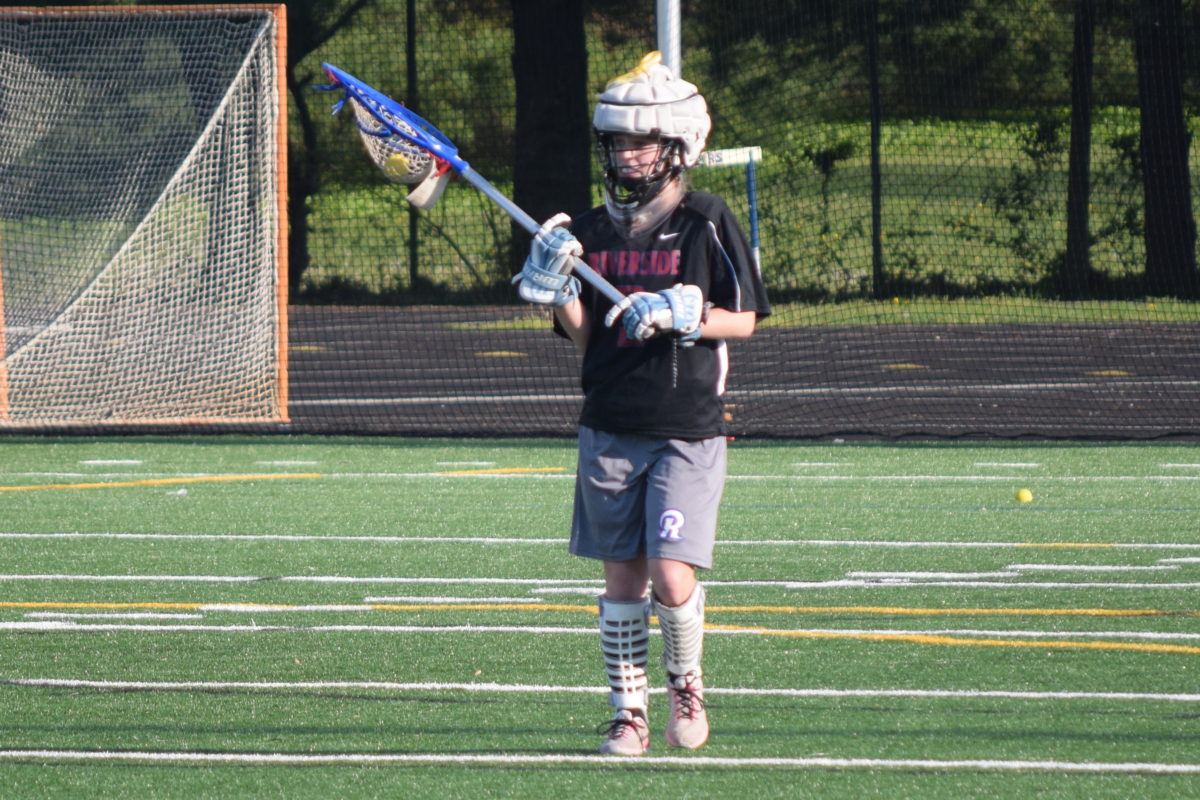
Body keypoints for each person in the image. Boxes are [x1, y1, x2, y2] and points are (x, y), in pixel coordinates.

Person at [513, 51, 769, 756]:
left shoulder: (706, 221)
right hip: (609, 424)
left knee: (669, 569)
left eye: (640, 142)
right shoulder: (591, 233)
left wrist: (685, 315)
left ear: (678, 145)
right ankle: (629, 713)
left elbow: (742, 319)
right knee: (621, 574)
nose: (625, 155)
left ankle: (686, 681)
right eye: (616, 143)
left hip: (687, 427)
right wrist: (561, 287)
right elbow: (585, 334)